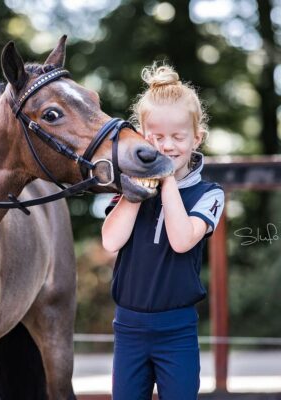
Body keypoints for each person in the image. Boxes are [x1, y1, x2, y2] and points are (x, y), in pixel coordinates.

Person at [101, 63, 225, 400]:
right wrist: (139, 187)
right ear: (142, 135)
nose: (166, 145)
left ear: (196, 138)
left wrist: (166, 177)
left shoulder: (209, 194)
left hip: (177, 331)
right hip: (128, 328)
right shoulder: (129, 191)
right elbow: (111, 241)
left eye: (177, 137)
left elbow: (183, 240)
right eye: (156, 137)